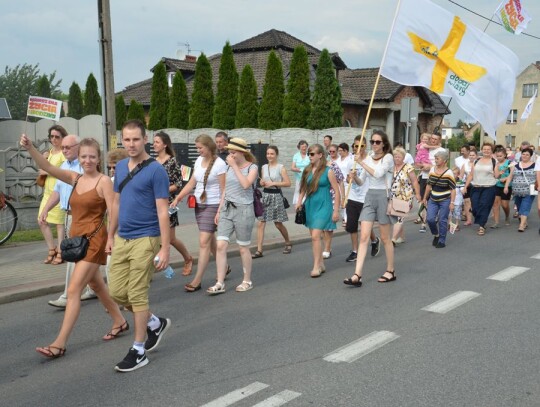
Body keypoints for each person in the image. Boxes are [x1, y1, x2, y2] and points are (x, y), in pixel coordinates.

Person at [20, 135, 127, 359]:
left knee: (73, 290)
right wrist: (30, 147)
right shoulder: (74, 178)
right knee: (97, 286)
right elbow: (46, 165)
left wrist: (111, 239)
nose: (88, 160)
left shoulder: (104, 182)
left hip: (95, 242)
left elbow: (113, 210)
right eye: (84, 156)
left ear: (98, 159)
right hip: (79, 242)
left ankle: (59, 343)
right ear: (79, 158)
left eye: (92, 157)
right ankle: (119, 320)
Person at [106, 120, 172, 373]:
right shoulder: (121, 167)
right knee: (116, 292)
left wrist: (165, 248)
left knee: (136, 294)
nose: (131, 144)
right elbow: (116, 204)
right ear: (122, 140)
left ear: (145, 139)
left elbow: (163, 211)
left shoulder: (157, 171)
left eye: (136, 139)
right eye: (127, 139)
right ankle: (155, 322)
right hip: (123, 237)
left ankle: (138, 349)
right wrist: (111, 235)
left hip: (146, 237)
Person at [45, 135, 97, 308]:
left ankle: (68, 295)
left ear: (78, 147)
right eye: (63, 147)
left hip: (84, 217)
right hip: (69, 216)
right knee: (84, 256)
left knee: (74, 255)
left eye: (68, 147)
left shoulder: (85, 168)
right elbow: (57, 191)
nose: (64, 150)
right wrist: (46, 208)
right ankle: (94, 288)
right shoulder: (63, 166)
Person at [171, 134, 227, 292]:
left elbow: (224, 190)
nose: (198, 151)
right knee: (210, 240)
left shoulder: (220, 164)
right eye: (197, 148)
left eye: (200, 148)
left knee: (203, 242)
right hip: (199, 205)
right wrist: (179, 197)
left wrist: (220, 211)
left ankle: (197, 280)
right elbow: (192, 182)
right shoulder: (198, 161)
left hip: (213, 205)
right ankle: (225, 266)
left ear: (209, 147)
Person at [207, 137, 259, 295]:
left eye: (234, 152)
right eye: (229, 152)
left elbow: (245, 184)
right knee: (221, 245)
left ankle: (247, 280)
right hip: (227, 209)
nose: (231, 155)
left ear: (242, 152)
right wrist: (219, 210)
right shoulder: (229, 167)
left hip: (244, 210)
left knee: (243, 247)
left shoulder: (252, 168)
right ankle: (220, 282)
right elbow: (225, 190)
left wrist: (235, 166)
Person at [344, 130, 395, 287]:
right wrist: (354, 177)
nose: (374, 144)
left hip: (383, 197)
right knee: (364, 236)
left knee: (386, 238)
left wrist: (360, 162)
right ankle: (357, 274)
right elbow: (362, 181)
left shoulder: (388, 157)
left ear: (384, 144)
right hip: (369, 196)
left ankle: (390, 270)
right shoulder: (370, 159)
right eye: (372, 141)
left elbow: (379, 174)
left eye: (377, 142)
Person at [295, 144, 340, 278]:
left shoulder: (328, 171)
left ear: (320, 155)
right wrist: (299, 202)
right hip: (310, 206)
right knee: (315, 238)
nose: (310, 156)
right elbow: (303, 188)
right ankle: (321, 263)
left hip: (324, 205)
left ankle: (316, 267)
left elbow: (336, 191)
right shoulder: (307, 170)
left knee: (315, 236)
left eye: (312, 154)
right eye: (309, 154)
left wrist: (336, 210)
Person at [153, 131, 193, 276]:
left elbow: (178, 184)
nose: (154, 144)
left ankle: (188, 258)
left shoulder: (172, 161)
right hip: (153, 205)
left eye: (157, 142)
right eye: (154, 142)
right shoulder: (152, 162)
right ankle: (152, 267)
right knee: (153, 238)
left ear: (164, 144)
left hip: (169, 203)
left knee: (170, 239)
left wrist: (161, 190)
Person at [252, 145, 292, 258]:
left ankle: (288, 242)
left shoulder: (281, 167)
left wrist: (274, 183)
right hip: (265, 195)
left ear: (276, 155)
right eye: (268, 153)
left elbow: (288, 183)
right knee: (261, 222)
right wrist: (263, 183)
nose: (269, 156)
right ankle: (259, 250)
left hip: (276, 196)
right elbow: (263, 181)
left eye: (272, 154)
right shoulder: (264, 167)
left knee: (278, 223)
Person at [343, 138, 378, 262]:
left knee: (364, 225)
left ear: (365, 146)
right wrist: (350, 178)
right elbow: (347, 180)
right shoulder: (350, 161)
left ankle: (374, 240)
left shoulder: (370, 160)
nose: (359, 148)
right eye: (356, 146)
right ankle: (355, 251)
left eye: (361, 145)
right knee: (352, 226)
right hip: (352, 197)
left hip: (365, 198)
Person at [38, 125, 67, 265]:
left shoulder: (64, 153)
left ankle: (61, 251)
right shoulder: (48, 153)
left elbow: (64, 172)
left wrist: (46, 171)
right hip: (47, 192)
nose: (54, 139)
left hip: (59, 191)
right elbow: (42, 168)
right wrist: (44, 160)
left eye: (57, 137)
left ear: (63, 138)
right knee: (41, 220)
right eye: (52, 136)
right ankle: (52, 249)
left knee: (59, 224)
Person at [423, 150, 456, 249]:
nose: (435, 160)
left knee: (442, 220)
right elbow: (429, 185)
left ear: (445, 160)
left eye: (438, 159)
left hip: (445, 199)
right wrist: (425, 198)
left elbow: (453, 189)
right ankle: (436, 234)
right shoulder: (432, 170)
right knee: (430, 219)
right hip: (433, 199)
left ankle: (442, 240)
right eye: (435, 158)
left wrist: (452, 202)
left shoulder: (449, 173)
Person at [465, 143, 498, 236]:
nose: (486, 151)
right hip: (475, 187)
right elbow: (471, 175)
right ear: (482, 150)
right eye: (484, 149)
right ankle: (481, 219)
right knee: (475, 207)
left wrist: (499, 172)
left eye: (488, 149)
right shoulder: (476, 161)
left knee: (484, 205)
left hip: (489, 187)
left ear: (491, 151)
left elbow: (496, 175)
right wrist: (465, 186)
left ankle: (482, 226)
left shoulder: (494, 161)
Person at [390, 147, 421, 245]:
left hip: (406, 195)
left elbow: (414, 180)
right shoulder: (391, 167)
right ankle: (402, 237)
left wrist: (417, 194)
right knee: (398, 217)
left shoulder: (408, 167)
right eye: (395, 157)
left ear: (403, 157)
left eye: (399, 157)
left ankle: (393, 239)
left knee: (400, 218)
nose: (397, 158)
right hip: (394, 195)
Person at [415, 133, 444, 232]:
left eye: (435, 139)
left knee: (435, 199)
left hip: (436, 178)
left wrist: (430, 167)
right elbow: (418, 162)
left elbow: (442, 166)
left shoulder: (441, 150)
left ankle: (433, 218)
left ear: (439, 141)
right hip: (424, 176)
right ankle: (423, 221)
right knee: (424, 199)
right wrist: (421, 165)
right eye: (432, 138)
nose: (433, 140)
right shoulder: (425, 148)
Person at [323, 144, 345, 258]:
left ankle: (327, 248)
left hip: (331, 196)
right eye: (329, 152)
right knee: (321, 224)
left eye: (333, 151)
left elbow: (340, 181)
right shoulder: (316, 166)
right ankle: (327, 246)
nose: (331, 154)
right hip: (320, 197)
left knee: (329, 223)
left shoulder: (333, 166)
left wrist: (342, 197)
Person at [507, 147, 536, 232]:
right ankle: (524, 221)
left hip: (529, 191)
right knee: (519, 207)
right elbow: (510, 176)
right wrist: (506, 186)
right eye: (523, 154)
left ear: (530, 156)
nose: (525, 156)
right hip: (517, 191)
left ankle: (521, 225)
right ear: (521, 154)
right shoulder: (515, 165)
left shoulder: (535, 165)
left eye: (527, 154)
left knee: (525, 206)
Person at [491, 145, 513, 228]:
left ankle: (507, 215)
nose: (499, 158)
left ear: (504, 155)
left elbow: (512, 175)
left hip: (507, 186)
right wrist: (499, 174)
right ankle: (496, 222)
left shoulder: (510, 163)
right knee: (496, 204)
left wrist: (506, 179)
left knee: (504, 205)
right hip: (497, 185)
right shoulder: (496, 164)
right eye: (497, 156)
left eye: (500, 156)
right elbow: (495, 176)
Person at [459, 148, 477, 226]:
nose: (471, 156)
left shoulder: (478, 163)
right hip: (467, 185)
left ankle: (477, 216)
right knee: (466, 202)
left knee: (475, 202)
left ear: (476, 156)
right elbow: (461, 176)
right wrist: (460, 186)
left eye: (473, 155)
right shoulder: (465, 164)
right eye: (470, 155)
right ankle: (469, 219)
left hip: (477, 184)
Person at [291, 140, 309, 205]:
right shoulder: (296, 155)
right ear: (299, 147)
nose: (304, 148)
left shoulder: (309, 154)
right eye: (302, 146)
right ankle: (299, 207)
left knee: (308, 193)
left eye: (305, 146)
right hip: (299, 178)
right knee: (299, 192)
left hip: (308, 178)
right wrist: (296, 169)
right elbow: (292, 167)